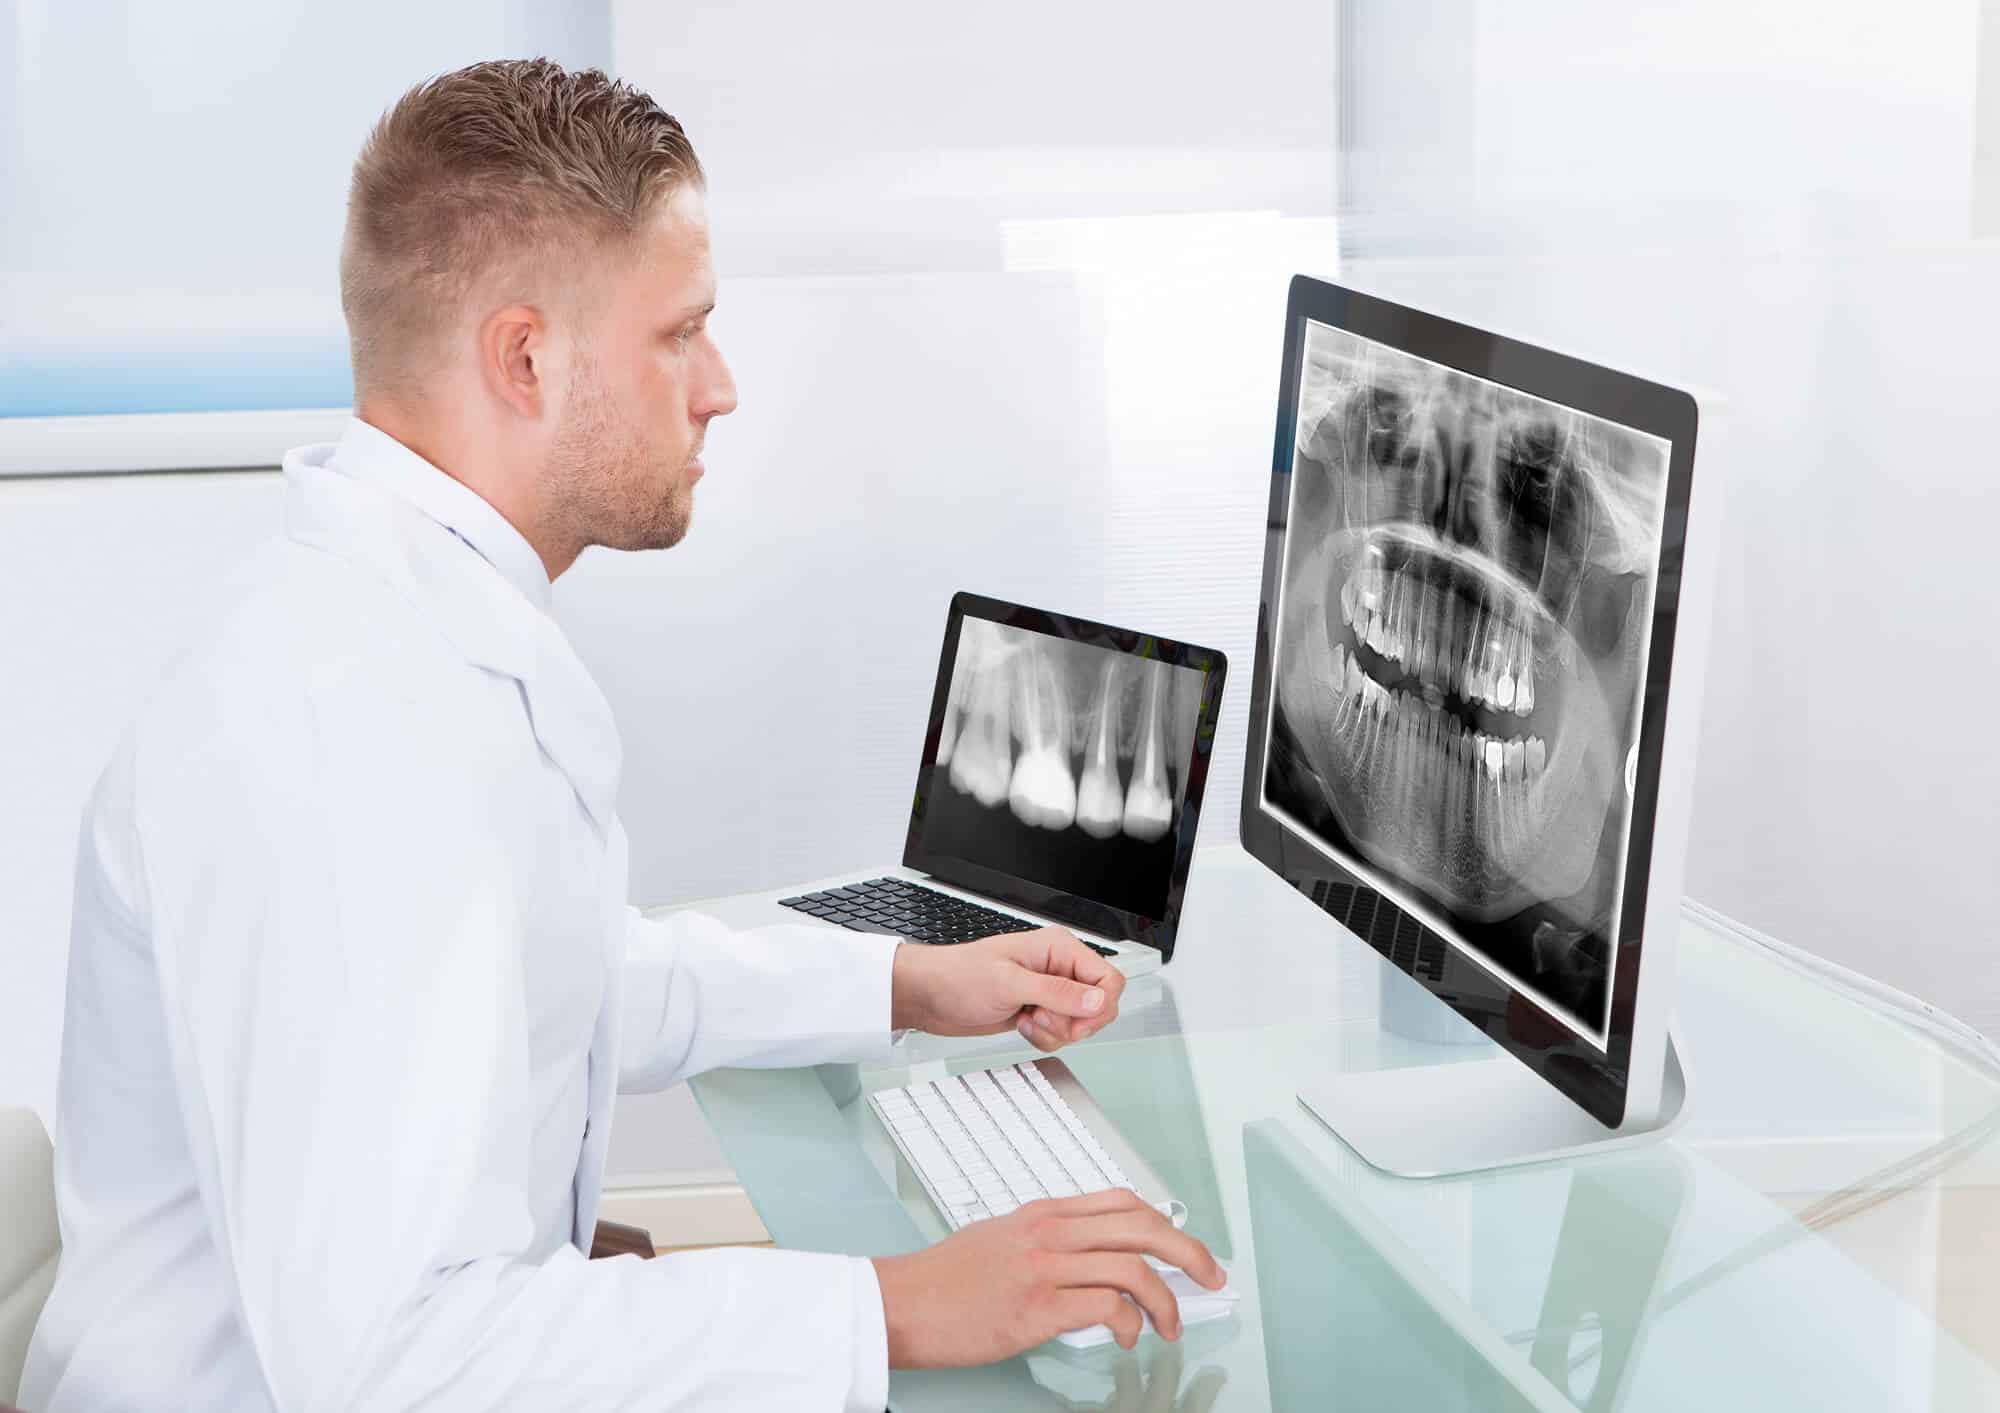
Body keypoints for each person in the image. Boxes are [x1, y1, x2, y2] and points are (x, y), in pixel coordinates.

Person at [21, 58, 1223, 1413]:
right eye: (678, 333)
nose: (718, 386)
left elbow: (567, 977)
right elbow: (395, 1364)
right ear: (526, 358)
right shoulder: (349, 729)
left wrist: (898, 984)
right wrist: (891, 1306)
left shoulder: (407, 624)